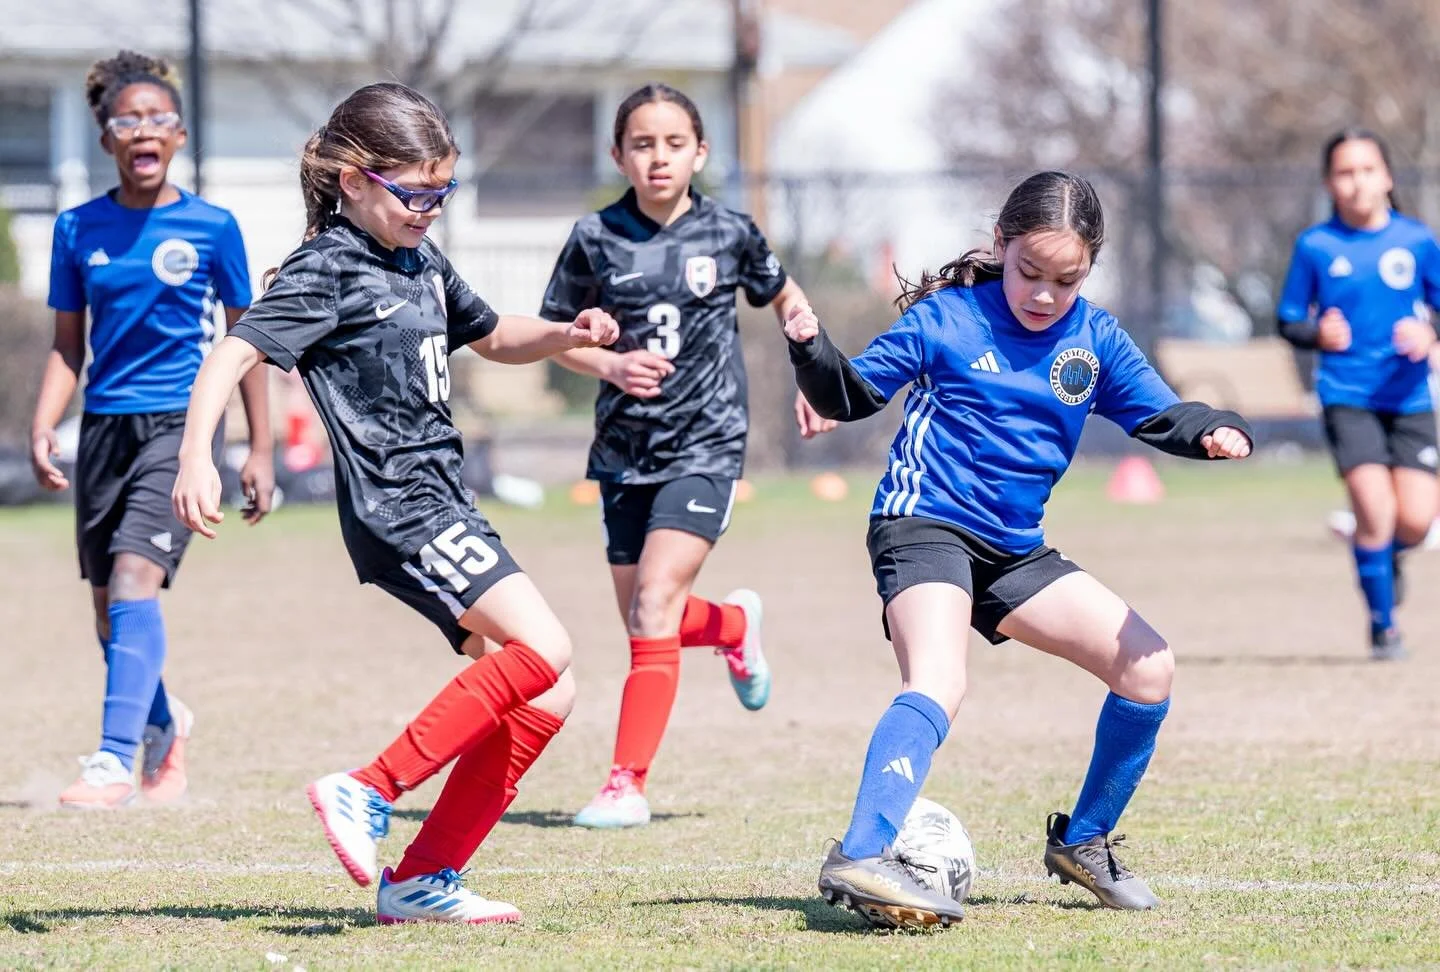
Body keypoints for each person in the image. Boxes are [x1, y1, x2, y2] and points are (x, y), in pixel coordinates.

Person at [171, 82, 620, 925]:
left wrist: (565, 334)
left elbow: (491, 336)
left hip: (443, 498)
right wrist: (200, 456)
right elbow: (232, 353)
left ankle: (422, 878)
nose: (430, 210)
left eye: (441, 193)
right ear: (354, 181)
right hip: (402, 505)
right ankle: (368, 788)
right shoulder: (328, 264)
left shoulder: (419, 259)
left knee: (545, 692)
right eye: (415, 194)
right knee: (546, 647)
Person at [782, 171, 1254, 927]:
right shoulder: (947, 319)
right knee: (940, 679)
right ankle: (862, 854)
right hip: (923, 523)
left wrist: (1213, 430)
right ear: (1000, 246)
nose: (1042, 294)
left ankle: (1086, 842)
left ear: (1089, 270)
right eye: (1029, 271)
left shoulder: (1094, 338)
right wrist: (810, 349)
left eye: (1065, 280)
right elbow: (850, 396)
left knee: (1148, 666)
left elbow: (1164, 414)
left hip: (1012, 551)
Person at [540, 82, 833, 828]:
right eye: (642, 143)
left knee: (651, 605)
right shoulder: (594, 237)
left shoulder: (730, 231)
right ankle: (735, 629)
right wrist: (605, 360)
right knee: (646, 615)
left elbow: (785, 296)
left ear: (700, 152)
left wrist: (815, 371)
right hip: (622, 449)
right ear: (618, 155)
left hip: (707, 441)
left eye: (674, 143)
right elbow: (552, 336)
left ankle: (625, 785)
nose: (659, 157)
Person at [31, 50, 274, 809]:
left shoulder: (212, 227)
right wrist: (45, 423)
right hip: (105, 429)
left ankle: (111, 760)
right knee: (110, 608)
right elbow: (69, 345)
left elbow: (249, 342)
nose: (143, 129)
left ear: (178, 136)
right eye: (127, 118)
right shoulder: (78, 228)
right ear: (106, 136)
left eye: (158, 118)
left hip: (182, 428)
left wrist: (259, 446)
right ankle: (166, 725)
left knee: (139, 579)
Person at [1277, 128, 1440, 661]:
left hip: (1410, 398)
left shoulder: (1416, 241)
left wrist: (1429, 334)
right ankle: (1384, 626)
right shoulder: (1316, 246)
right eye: (1345, 173)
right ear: (1329, 182)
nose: (1357, 183)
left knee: (1414, 521)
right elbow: (1288, 319)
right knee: (1374, 511)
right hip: (1347, 395)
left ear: (1387, 177)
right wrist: (1317, 333)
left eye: (1367, 170)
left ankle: (1384, 561)